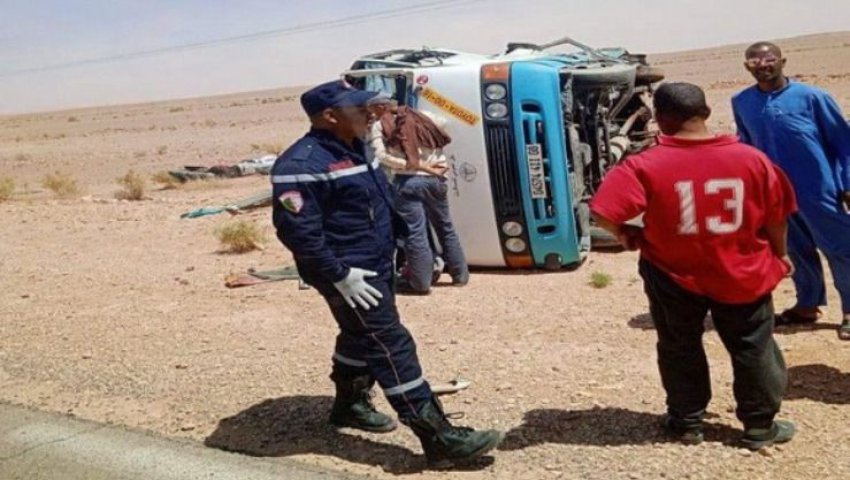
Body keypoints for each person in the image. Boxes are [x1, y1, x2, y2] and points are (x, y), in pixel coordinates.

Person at [270, 80, 501, 468]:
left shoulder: (357, 146)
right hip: (347, 271)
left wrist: (394, 245)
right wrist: (340, 275)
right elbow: (298, 232)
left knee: (359, 334)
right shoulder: (300, 165)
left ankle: (350, 406)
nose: (370, 113)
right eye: (359, 108)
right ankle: (437, 436)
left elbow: (378, 199)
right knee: (389, 341)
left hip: (375, 263)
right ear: (330, 116)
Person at [591, 82, 798, 449]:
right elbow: (778, 216)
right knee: (753, 345)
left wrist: (626, 234)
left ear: (659, 119)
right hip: (743, 271)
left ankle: (687, 422)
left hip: (672, 272)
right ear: (704, 113)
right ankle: (759, 426)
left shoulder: (644, 164)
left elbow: (603, 212)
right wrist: (780, 253)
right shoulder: (752, 159)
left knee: (679, 344)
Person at [732, 41, 850, 340]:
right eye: (755, 61)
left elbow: (843, 142)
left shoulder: (812, 97)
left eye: (769, 59)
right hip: (775, 194)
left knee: (840, 249)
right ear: (747, 66)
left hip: (818, 189)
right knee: (794, 250)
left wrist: (848, 183)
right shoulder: (742, 101)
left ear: (783, 61)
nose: (763, 65)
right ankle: (807, 305)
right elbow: (746, 146)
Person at [367, 97, 470, 294]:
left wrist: (412, 164)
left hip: (408, 181)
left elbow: (380, 156)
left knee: (415, 232)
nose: (371, 113)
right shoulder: (423, 116)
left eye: (372, 109)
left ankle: (420, 283)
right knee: (445, 226)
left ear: (382, 107)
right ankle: (460, 276)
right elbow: (445, 124)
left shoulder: (380, 126)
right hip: (436, 179)